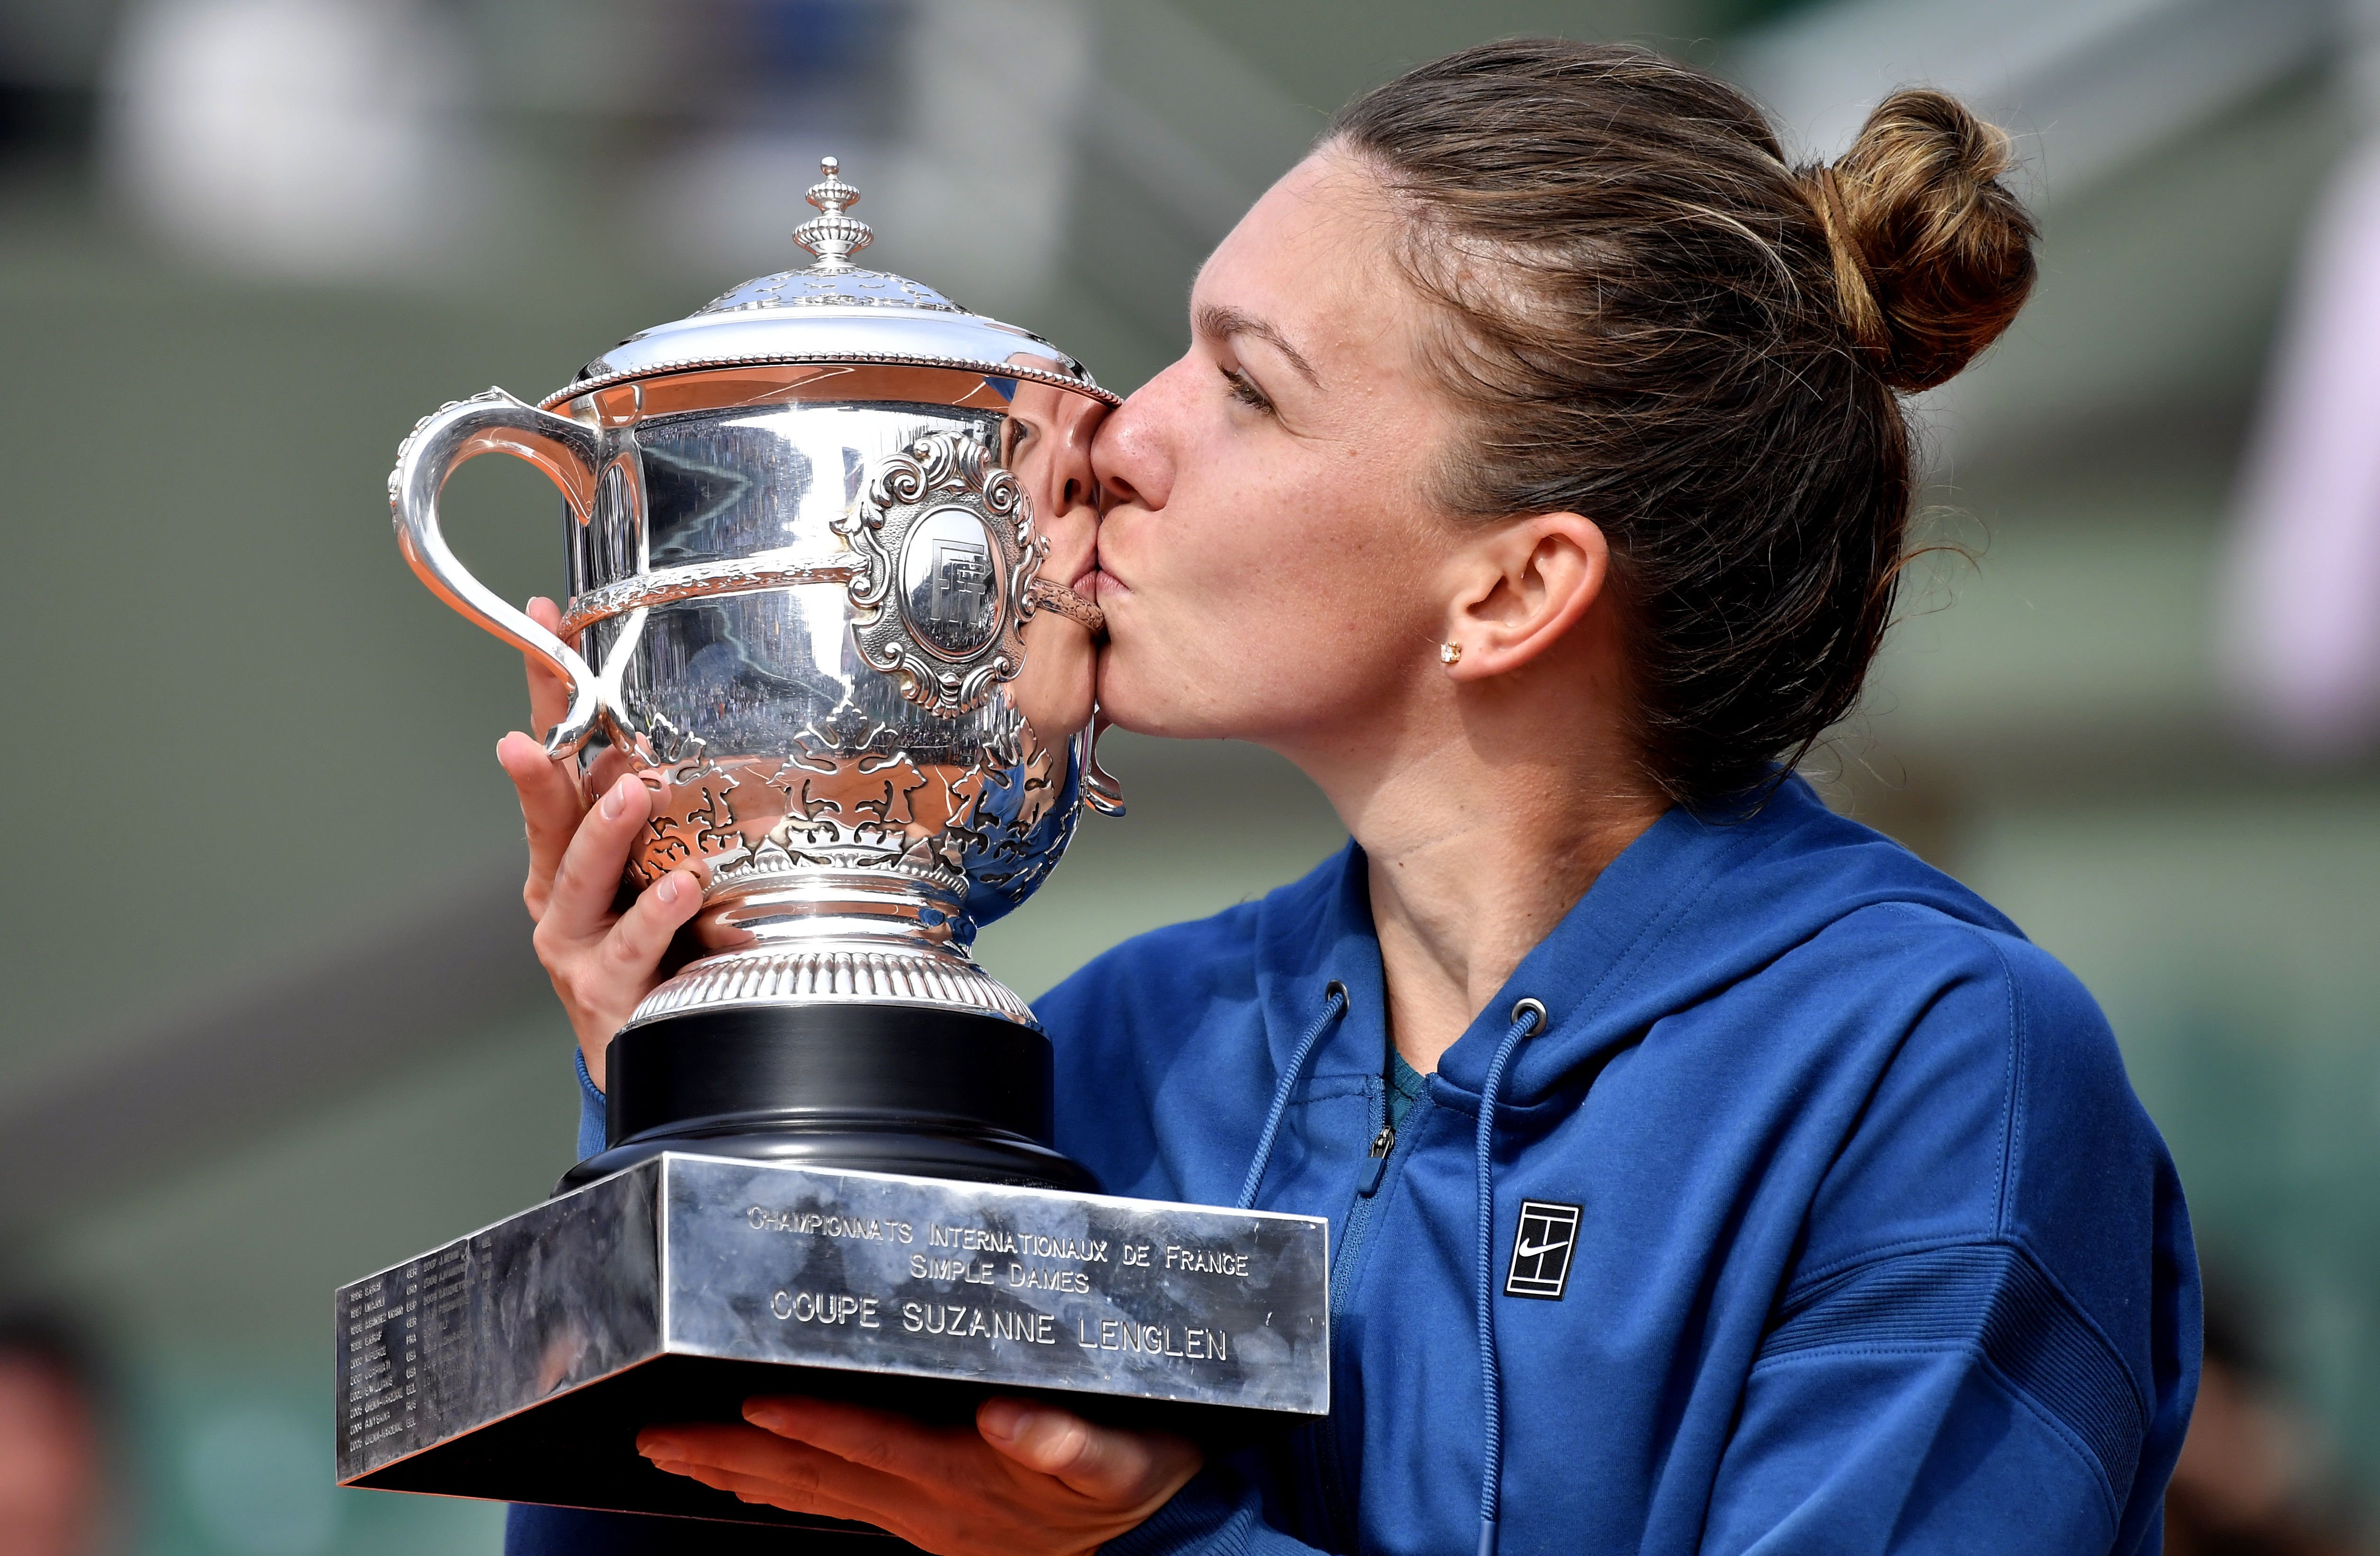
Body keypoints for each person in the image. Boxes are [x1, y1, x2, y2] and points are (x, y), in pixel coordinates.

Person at [501, 39, 2199, 1556]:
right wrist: (695, 1107)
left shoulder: (1928, 1071)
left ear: (1512, 591)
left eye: (1246, 387)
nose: (1111, 440)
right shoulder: (1116, 1051)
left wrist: (1144, 1545)